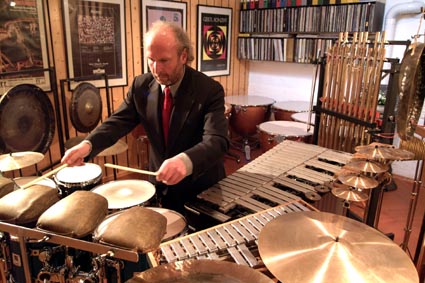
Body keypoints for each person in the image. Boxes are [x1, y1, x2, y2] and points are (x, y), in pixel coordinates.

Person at [61, 20, 229, 215]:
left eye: (164, 60)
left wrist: (185, 161)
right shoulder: (141, 86)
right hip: (160, 183)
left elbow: (217, 141)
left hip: (200, 188)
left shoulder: (208, 90)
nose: (156, 69)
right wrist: (88, 145)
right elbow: (117, 122)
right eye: (151, 59)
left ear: (183, 56)